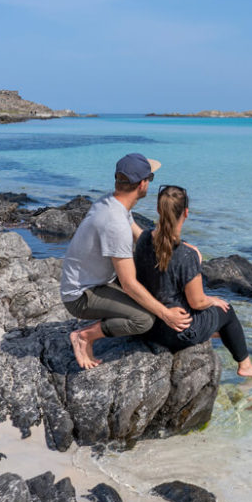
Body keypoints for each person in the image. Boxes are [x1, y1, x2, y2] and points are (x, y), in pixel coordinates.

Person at [60, 153, 192, 369]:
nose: (149, 183)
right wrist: (166, 314)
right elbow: (129, 284)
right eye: (150, 179)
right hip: (80, 296)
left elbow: (141, 239)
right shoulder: (115, 223)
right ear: (142, 184)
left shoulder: (112, 203)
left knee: (152, 287)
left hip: (96, 281)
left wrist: (180, 249)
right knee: (144, 320)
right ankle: (84, 336)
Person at [134, 184, 252, 378]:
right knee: (227, 312)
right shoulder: (187, 256)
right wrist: (214, 299)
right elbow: (197, 302)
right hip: (174, 332)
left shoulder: (143, 239)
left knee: (217, 320)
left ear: (158, 210)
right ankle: (245, 366)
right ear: (186, 212)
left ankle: (222, 336)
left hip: (148, 326)